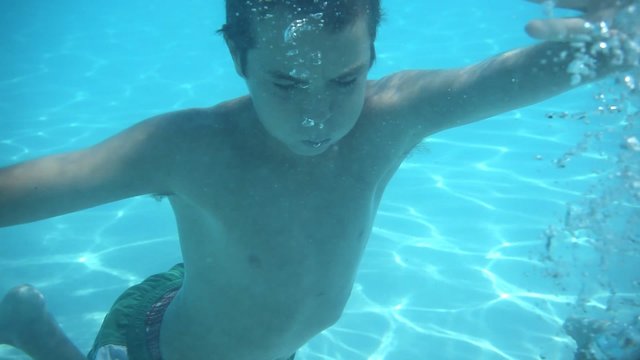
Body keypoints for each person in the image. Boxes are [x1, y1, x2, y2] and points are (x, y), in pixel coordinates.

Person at [0, 0, 637, 359]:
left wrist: (621, 34)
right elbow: (44, 183)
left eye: (344, 81)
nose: (317, 116)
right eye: (284, 83)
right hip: (159, 347)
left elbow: (507, 79)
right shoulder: (189, 148)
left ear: (372, 60)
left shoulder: (393, 117)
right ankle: (32, 330)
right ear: (237, 60)